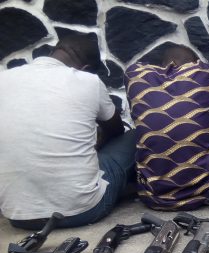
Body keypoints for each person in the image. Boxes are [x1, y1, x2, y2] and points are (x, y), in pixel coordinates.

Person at [0, 34, 135, 230]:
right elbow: (116, 131)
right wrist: (96, 145)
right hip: (81, 212)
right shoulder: (88, 80)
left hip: (18, 215)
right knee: (135, 136)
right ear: (85, 68)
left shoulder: (4, 78)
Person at [125, 45, 209, 210]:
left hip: (152, 197)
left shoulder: (134, 75)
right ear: (193, 63)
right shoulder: (205, 73)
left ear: (163, 65)